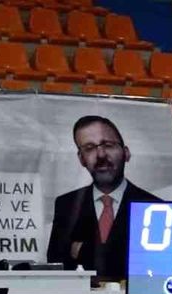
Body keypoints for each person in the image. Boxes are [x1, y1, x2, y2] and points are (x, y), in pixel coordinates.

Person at [47, 115, 162, 279]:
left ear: (126, 153)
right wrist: (121, 253)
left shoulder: (154, 206)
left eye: (108, 145)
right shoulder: (66, 204)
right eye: (89, 148)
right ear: (81, 159)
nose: (100, 154)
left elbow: (152, 266)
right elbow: (56, 262)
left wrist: (82, 250)